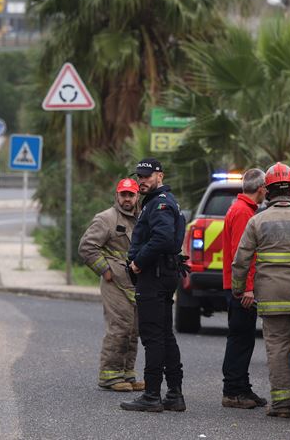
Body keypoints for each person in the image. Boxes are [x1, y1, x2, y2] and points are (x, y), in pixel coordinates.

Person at [231, 163, 290, 419]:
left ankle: (281, 405)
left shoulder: (257, 220)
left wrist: (239, 289)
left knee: (278, 348)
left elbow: (241, 259)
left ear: (268, 190)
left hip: (271, 297)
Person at [120, 158, 186, 413]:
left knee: (152, 336)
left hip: (154, 274)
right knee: (165, 335)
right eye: (139, 176)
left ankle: (151, 395)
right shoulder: (163, 202)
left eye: (147, 176)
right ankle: (174, 394)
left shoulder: (159, 204)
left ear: (160, 176)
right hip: (164, 272)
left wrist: (137, 262)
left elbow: (162, 238)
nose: (142, 180)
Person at [78, 178, 142, 392]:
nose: (127, 199)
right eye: (123, 195)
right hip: (114, 283)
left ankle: (127, 374)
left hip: (134, 284)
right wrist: (105, 271)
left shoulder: (141, 218)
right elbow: (87, 247)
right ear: (117, 196)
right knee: (119, 328)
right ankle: (110, 375)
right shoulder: (106, 219)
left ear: (136, 196)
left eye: (130, 195)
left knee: (134, 330)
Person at [220, 169, 268, 409]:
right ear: (260, 189)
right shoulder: (242, 213)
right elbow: (243, 255)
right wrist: (247, 289)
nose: (267, 192)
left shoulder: (243, 210)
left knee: (244, 338)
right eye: (266, 188)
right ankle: (233, 391)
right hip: (241, 290)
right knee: (240, 339)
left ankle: (241, 387)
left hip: (238, 287)